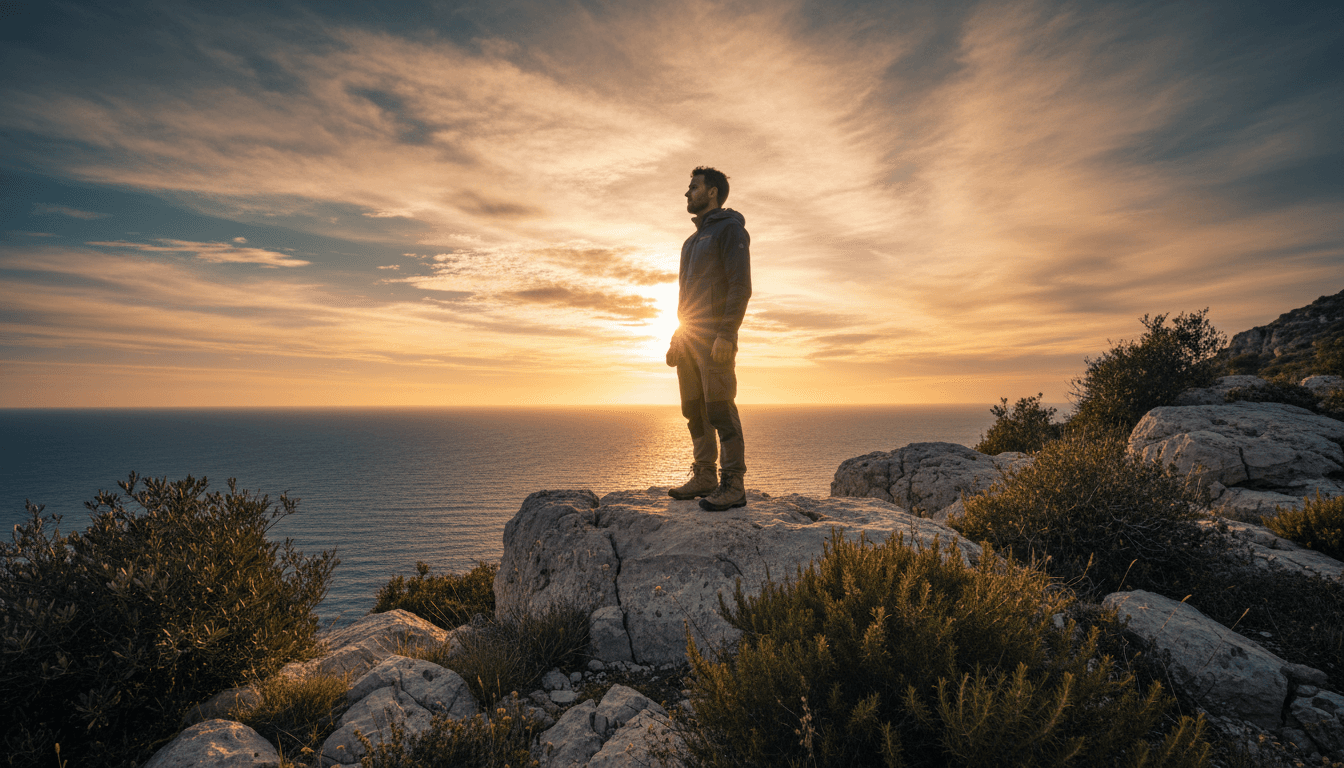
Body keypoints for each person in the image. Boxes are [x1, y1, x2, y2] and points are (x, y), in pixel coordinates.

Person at [665, 166, 751, 510]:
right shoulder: (691, 241)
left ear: (712, 191)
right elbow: (686, 298)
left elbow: (740, 286)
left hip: (715, 337)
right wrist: (676, 336)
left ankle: (733, 483)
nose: (687, 193)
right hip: (688, 339)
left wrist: (726, 334)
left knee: (719, 408)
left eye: (693, 187)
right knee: (693, 409)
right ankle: (704, 475)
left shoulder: (730, 231)